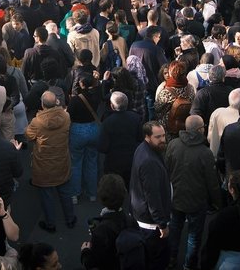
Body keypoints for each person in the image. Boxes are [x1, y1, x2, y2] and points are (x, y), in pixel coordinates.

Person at [165, 115, 223, 270]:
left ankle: (171, 260)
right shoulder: (205, 153)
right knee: (194, 236)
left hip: (176, 198)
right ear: (199, 130)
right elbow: (212, 183)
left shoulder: (173, 144)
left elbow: (166, 169)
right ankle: (189, 265)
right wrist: (218, 203)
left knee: (175, 230)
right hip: (197, 202)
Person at [25, 90, 76, 232]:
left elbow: (28, 136)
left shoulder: (37, 122)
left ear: (42, 104)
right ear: (56, 102)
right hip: (62, 160)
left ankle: (50, 224)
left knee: (47, 196)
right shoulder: (66, 116)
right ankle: (70, 219)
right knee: (65, 192)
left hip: (44, 164)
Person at [129, 121, 171, 270]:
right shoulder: (149, 161)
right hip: (152, 224)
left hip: (143, 215)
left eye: (163, 135)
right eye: (158, 137)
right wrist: (162, 224)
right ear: (147, 137)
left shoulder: (142, 149)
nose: (162, 140)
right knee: (157, 260)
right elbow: (153, 197)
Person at [81, 174, 131, 270]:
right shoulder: (131, 220)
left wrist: (85, 251)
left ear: (101, 197)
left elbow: (91, 263)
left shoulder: (101, 231)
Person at [97, 91, 143, 188]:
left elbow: (102, 147)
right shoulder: (135, 118)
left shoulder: (107, 122)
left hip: (113, 163)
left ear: (112, 106)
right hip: (132, 161)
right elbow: (140, 138)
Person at [67, 74, 101, 203]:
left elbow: (69, 115)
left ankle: (75, 194)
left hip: (77, 131)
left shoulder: (75, 100)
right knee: (92, 162)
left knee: (75, 163)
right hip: (93, 129)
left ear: (81, 84)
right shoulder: (96, 96)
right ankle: (92, 193)